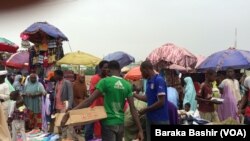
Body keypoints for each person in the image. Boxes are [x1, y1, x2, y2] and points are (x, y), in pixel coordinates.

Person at [61, 61, 144, 141]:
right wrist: (140, 130)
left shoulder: (104, 82)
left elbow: (89, 101)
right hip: (120, 123)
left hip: (108, 123)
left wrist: (70, 112)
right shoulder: (127, 85)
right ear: (119, 70)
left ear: (109, 70)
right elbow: (133, 109)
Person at [133, 61, 168, 141]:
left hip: (160, 119)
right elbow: (147, 98)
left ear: (147, 69)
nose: (141, 74)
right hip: (150, 118)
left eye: (142, 71)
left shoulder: (159, 80)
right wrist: (135, 95)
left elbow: (161, 102)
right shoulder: (148, 82)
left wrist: (146, 109)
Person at [85, 60, 109, 140]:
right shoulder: (95, 78)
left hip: (104, 108)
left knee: (103, 131)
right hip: (94, 108)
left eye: (108, 68)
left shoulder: (108, 79)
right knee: (89, 130)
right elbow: (97, 92)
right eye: (105, 67)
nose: (107, 69)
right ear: (100, 68)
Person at [54, 70, 77, 140]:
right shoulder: (57, 83)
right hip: (58, 106)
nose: (54, 76)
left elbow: (70, 95)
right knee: (61, 122)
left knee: (67, 123)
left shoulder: (67, 83)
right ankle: (65, 137)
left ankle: (72, 137)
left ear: (59, 75)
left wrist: (69, 106)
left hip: (64, 106)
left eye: (55, 75)